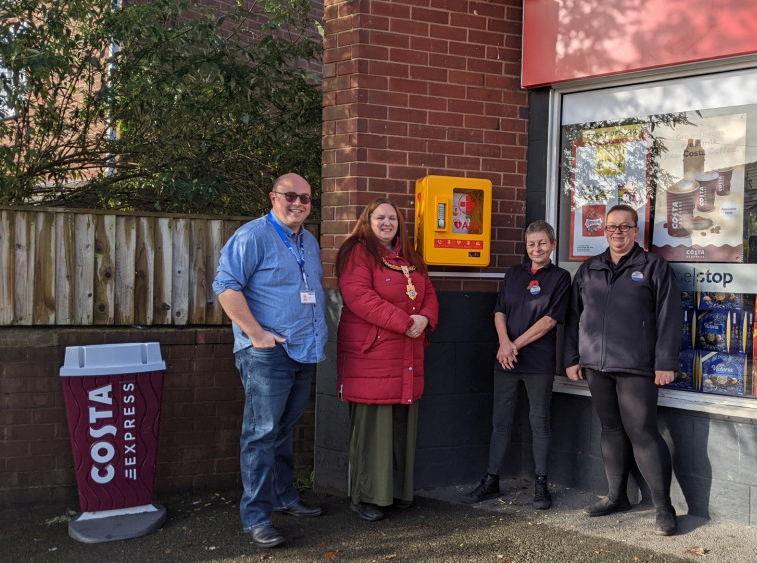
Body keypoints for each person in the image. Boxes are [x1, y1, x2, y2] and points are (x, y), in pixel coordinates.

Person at [212, 173, 328, 549]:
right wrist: (257, 334)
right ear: (273, 197)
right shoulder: (253, 235)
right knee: (260, 434)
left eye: (306, 198)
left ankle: (284, 497)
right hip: (267, 353)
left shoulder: (309, 241)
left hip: (304, 350)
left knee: (282, 430)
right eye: (290, 196)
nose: (298, 204)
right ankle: (257, 517)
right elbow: (225, 287)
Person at [564, 204, 683, 536]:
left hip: (637, 366)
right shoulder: (589, 269)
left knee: (643, 433)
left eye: (624, 227)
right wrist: (572, 358)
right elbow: (574, 317)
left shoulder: (653, 267)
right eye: (611, 227)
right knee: (611, 430)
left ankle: (664, 508)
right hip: (596, 366)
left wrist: (665, 363)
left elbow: (669, 317)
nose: (617, 233)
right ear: (604, 231)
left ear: (636, 231)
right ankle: (617, 496)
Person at [335, 198, 439, 522]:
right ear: (368, 220)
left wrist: (425, 318)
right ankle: (367, 497)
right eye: (379, 217)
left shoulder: (409, 256)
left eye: (392, 218)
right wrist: (406, 322)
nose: (386, 223)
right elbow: (359, 298)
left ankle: (394, 492)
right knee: (372, 428)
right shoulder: (357, 252)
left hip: (406, 353)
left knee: (399, 425)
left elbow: (430, 294)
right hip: (373, 356)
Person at [461, 220, 571, 510]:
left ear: (553, 245)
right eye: (531, 243)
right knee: (500, 421)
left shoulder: (560, 278)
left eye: (542, 243)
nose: (537, 248)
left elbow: (549, 321)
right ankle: (491, 479)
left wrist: (514, 345)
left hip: (537, 363)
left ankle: (540, 484)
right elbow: (499, 311)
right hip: (506, 360)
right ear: (526, 246)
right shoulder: (513, 274)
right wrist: (503, 343)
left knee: (540, 423)